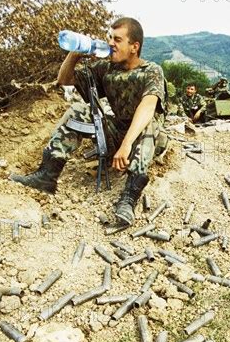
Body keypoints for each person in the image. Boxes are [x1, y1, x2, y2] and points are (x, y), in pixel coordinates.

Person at [10, 17, 166, 227]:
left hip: (145, 139)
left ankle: (129, 197)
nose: (111, 43)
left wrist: (127, 144)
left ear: (134, 47)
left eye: (118, 39)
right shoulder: (107, 68)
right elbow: (65, 80)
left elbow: (147, 108)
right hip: (116, 132)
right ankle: (47, 175)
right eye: (110, 37)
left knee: (149, 123)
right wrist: (76, 52)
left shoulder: (151, 71)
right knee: (79, 110)